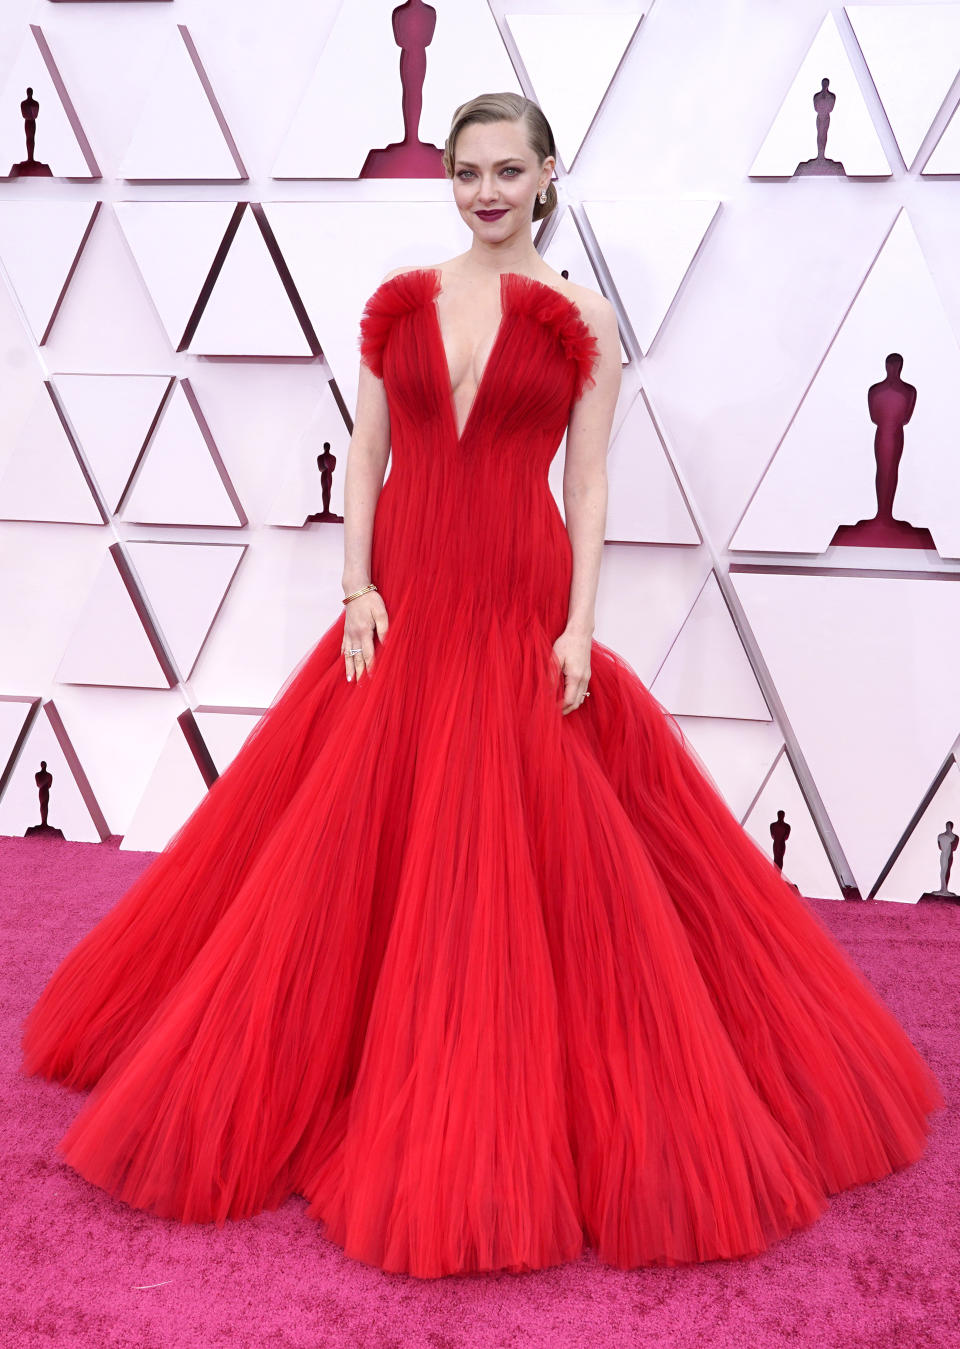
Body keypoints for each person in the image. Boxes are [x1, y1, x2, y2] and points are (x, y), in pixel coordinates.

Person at [21, 92, 944, 1280]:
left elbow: (593, 481)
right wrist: (355, 587)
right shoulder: (404, 301)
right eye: (467, 171)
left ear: (549, 174)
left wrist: (578, 629)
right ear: (449, 179)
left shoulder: (584, 317)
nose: (487, 191)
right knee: (350, 838)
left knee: (516, 844)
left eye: (509, 169)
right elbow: (366, 452)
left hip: (516, 589)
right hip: (405, 592)